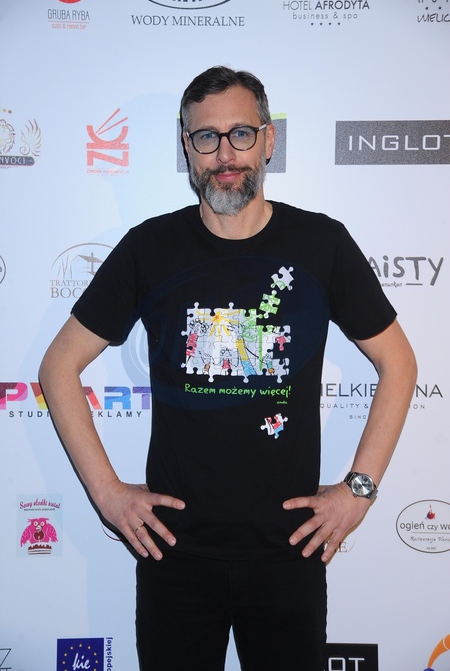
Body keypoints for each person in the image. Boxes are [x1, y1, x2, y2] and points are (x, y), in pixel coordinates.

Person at [39, 66, 417, 671]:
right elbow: (59, 366)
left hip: (290, 555)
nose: (224, 154)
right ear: (186, 148)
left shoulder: (321, 244)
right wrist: (107, 493)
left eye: (241, 134)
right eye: (206, 137)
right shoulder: (149, 247)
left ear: (268, 141)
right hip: (173, 557)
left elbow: (398, 363)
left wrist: (359, 491)